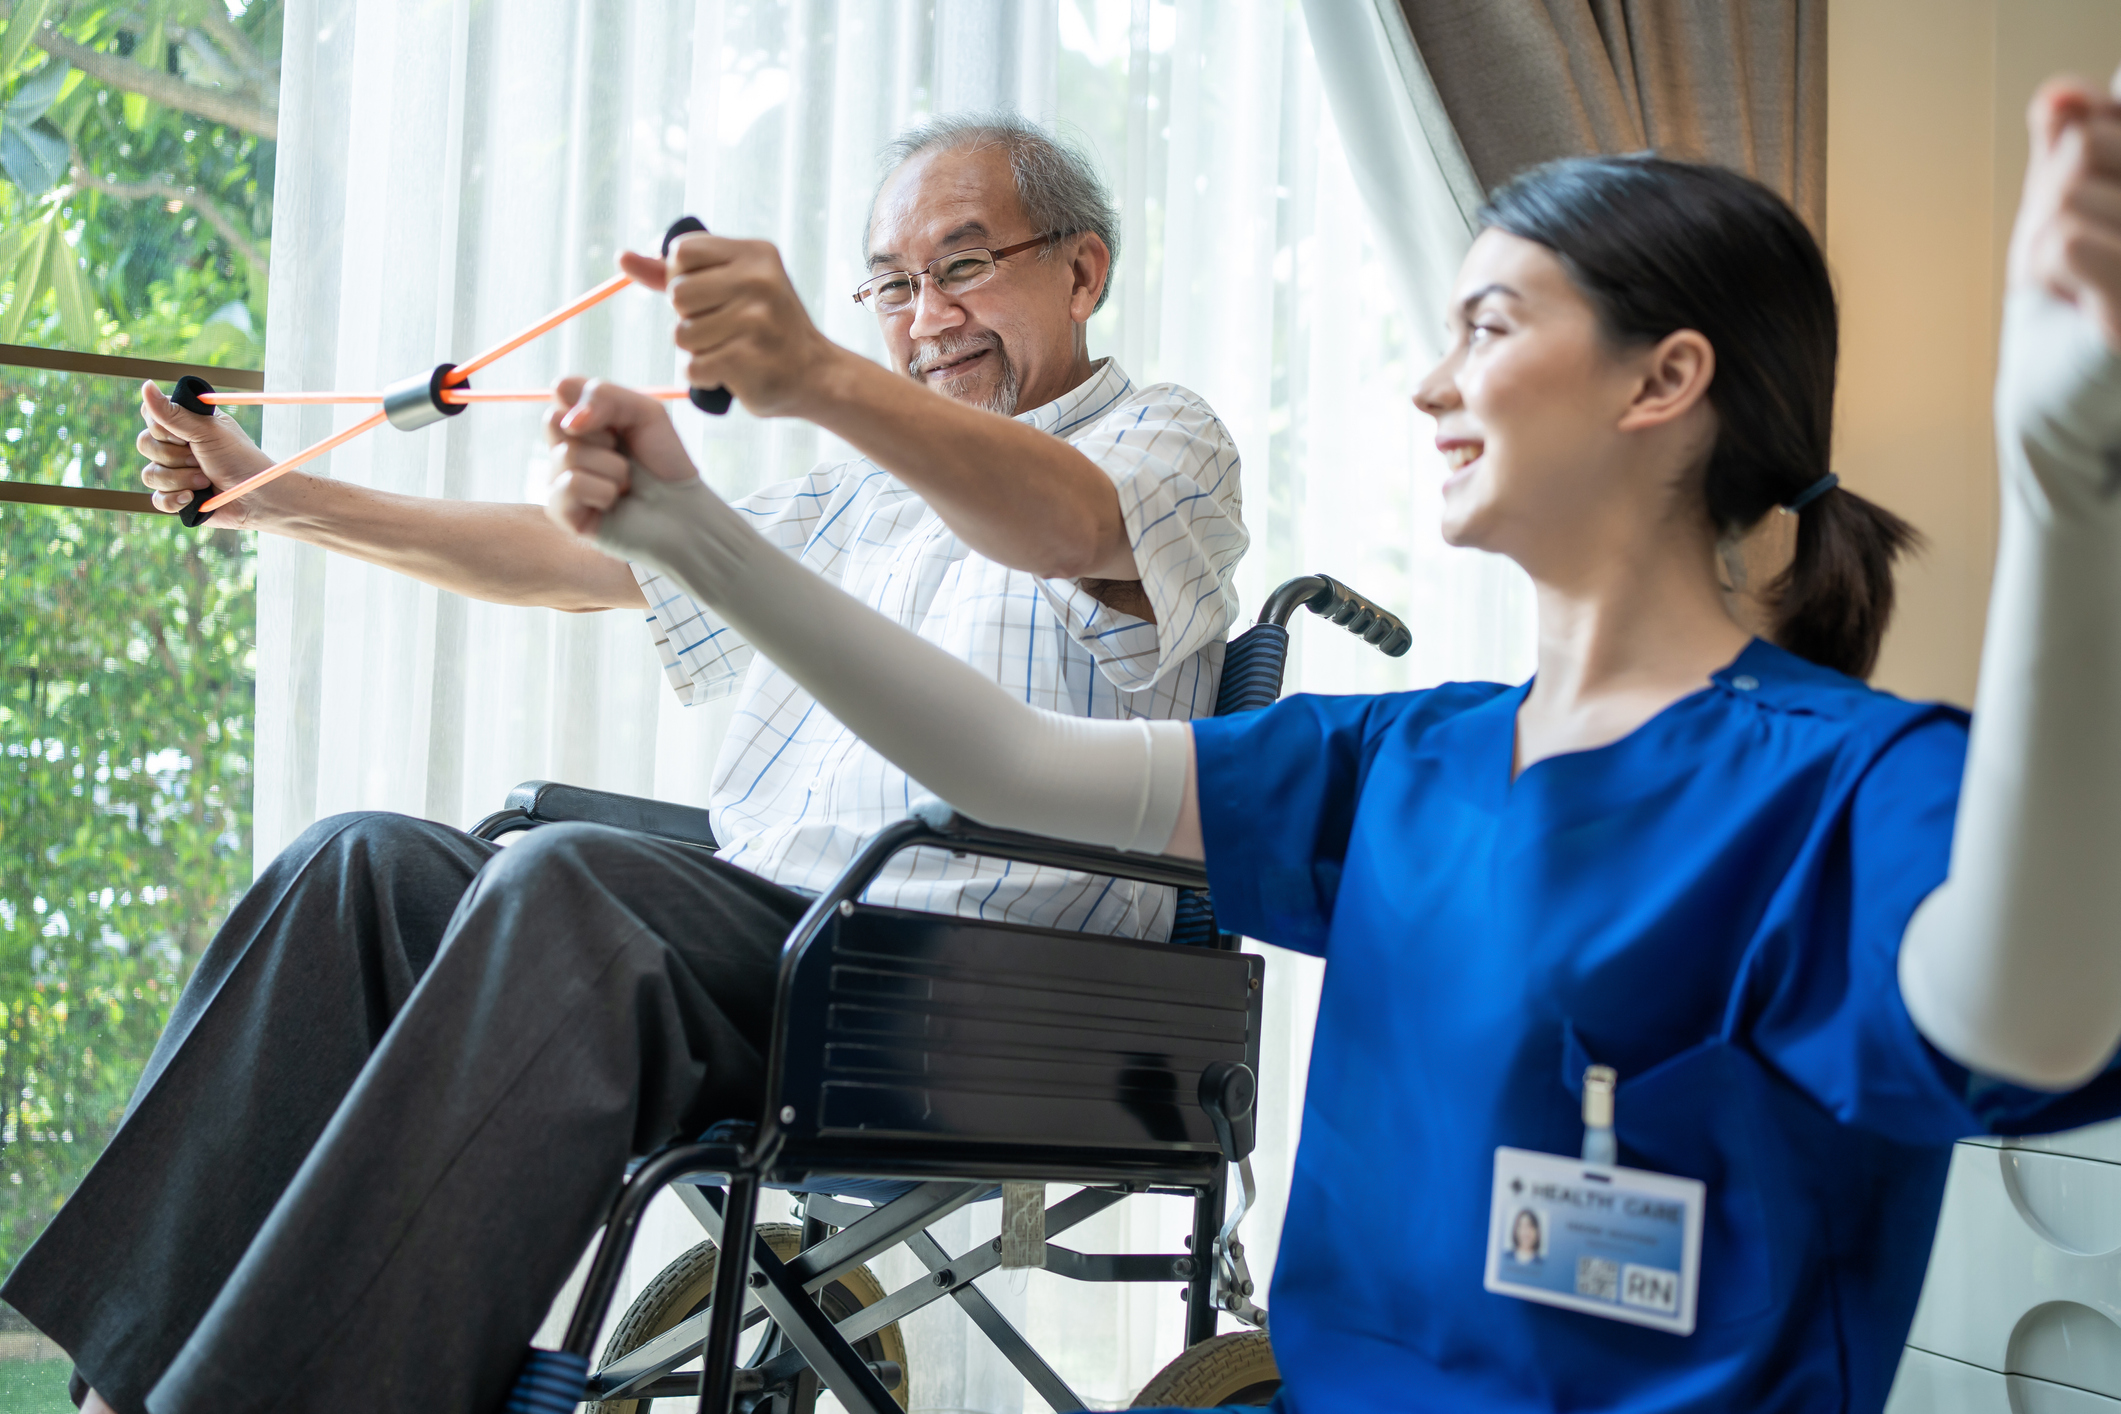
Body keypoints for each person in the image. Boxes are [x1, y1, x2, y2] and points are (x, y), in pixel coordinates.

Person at [537, 68, 2121, 1413]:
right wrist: (693, 538)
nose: (1432, 383)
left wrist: (2066, 495)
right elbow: (1012, 771)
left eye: (1489, 326)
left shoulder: (1840, 782)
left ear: (1666, 378)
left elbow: (2030, 1027)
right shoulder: (1401, 764)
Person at [3, 114, 1246, 1414]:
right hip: (767, 943)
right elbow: (577, 565)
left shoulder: (1160, 443)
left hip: (979, 991)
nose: (925, 313)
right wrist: (280, 495)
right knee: (358, 865)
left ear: (1081, 273)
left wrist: (816, 369)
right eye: (889, 282)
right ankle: (114, 1393)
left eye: (964, 264)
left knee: (571, 886)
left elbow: (1062, 524)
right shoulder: (854, 493)